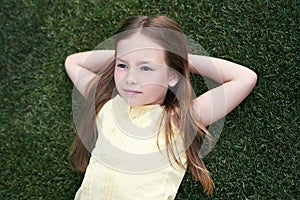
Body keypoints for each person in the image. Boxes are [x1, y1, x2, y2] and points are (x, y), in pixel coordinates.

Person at [65, 15, 257, 199]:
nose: (130, 79)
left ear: (173, 76)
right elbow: (73, 62)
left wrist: (181, 60)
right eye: (122, 66)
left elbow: (245, 78)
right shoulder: (107, 104)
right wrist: (129, 53)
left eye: (146, 68)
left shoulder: (178, 119)